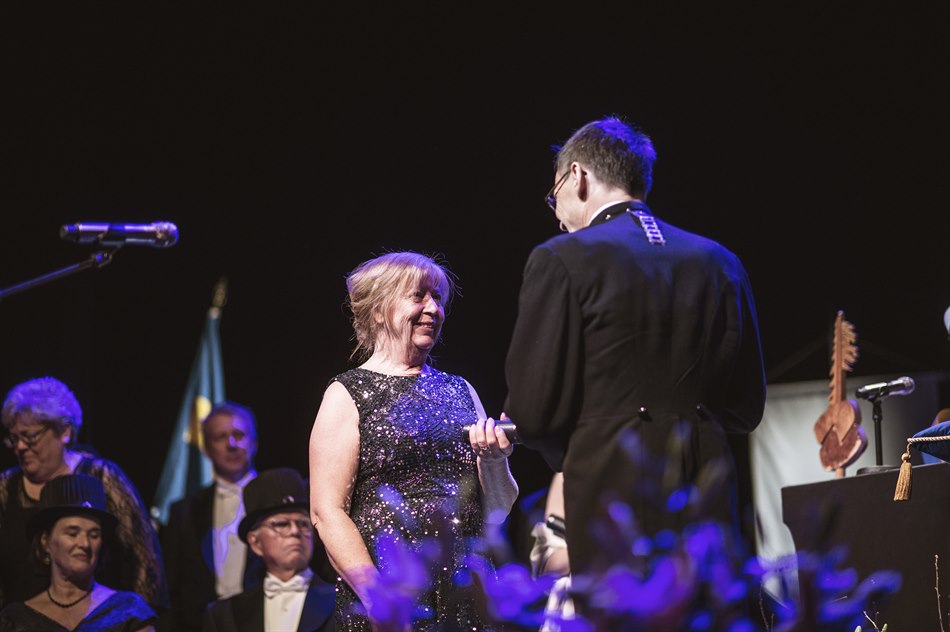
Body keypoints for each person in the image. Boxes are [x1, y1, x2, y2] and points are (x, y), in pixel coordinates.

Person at [504, 117, 766, 609]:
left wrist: (571, 448)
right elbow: (745, 408)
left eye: (554, 196)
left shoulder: (561, 258)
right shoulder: (720, 261)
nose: (557, 216)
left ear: (578, 176)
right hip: (707, 492)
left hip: (609, 491)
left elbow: (534, 411)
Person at [309, 251, 519, 631]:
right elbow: (328, 512)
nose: (433, 309)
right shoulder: (347, 392)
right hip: (391, 590)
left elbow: (497, 511)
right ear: (378, 311)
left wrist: (493, 460)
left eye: (438, 298)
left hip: (465, 592)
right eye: (418, 296)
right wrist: (379, 598)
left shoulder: (461, 390)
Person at [0, 377, 168, 612]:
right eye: (14, 438)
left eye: (30, 437)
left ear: (65, 432)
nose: (20, 447)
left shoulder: (101, 477)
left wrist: (136, 619)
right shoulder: (6, 487)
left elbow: (144, 558)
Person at [0, 473, 157, 631]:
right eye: (72, 533)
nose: (85, 544)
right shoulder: (16, 620)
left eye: (94, 535)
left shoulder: (128, 611)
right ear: (46, 542)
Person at [161, 402, 265, 632]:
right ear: (207, 448)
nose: (231, 444)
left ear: (254, 443)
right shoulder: (184, 511)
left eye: (239, 435)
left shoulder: (275, 502)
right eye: (220, 437)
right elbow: (171, 586)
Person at [202, 468, 334, 632]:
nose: (295, 531)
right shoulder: (224, 615)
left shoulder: (340, 603)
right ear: (256, 542)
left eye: (303, 524)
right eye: (281, 524)